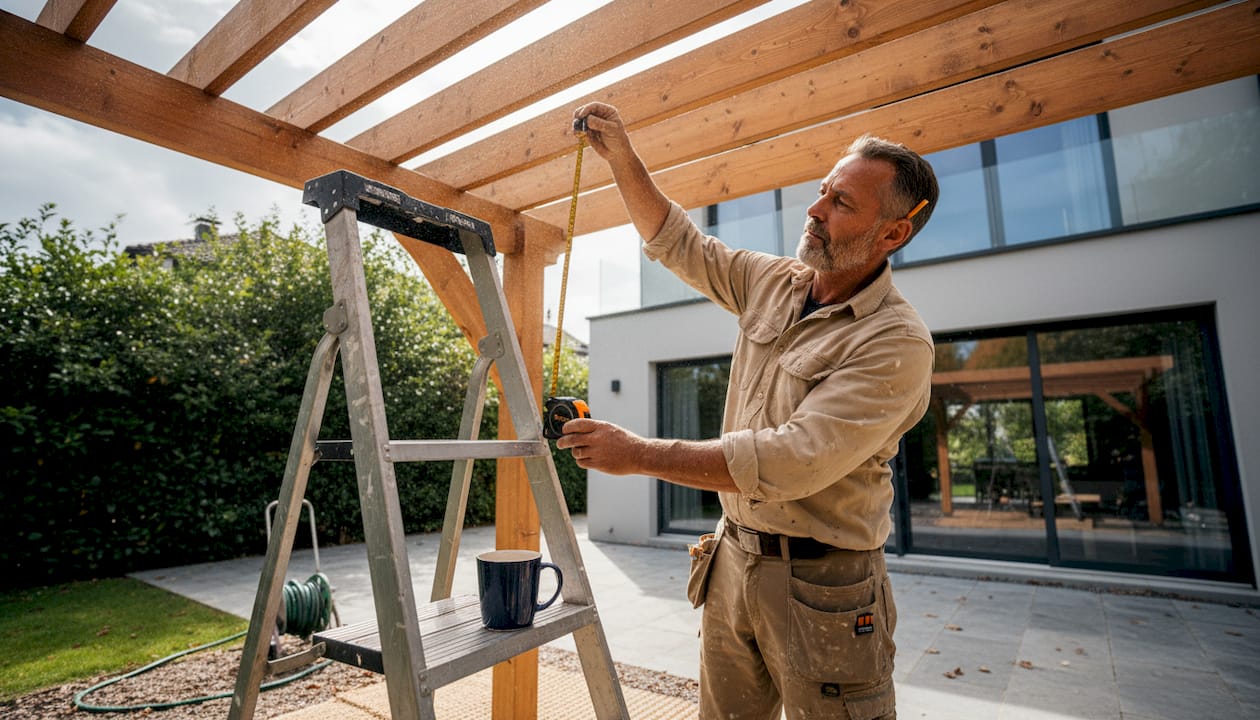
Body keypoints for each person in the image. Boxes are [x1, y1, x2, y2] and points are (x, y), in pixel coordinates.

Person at [557, 102, 939, 720]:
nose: (814, 210)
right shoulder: (775, 281)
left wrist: (637, 455)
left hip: (826, 587)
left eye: (842, 203)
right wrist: (624, 161)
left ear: (893, 233)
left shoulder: (895, 342)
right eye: (822, 192)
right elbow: (677, 242)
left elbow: (789, 461)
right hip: (732, 561)